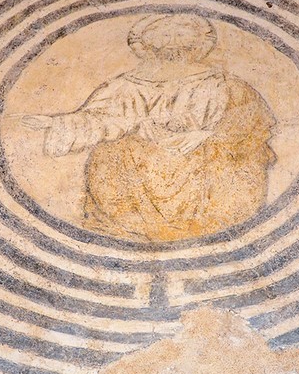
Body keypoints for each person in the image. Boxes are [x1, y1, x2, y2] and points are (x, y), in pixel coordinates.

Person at [22, 13, 275, 241]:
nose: (173, 42)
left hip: (202, 159)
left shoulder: (223, 82)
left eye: (182, 34)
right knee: (111, 154)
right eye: (165, 35)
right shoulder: (125, 85)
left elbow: (252, 121)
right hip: (138, 163)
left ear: (197, 42)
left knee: (230, 159)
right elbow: (99, 118)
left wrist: (206, 135)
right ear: (149, 42)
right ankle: (128, 225)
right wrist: (56, 123)